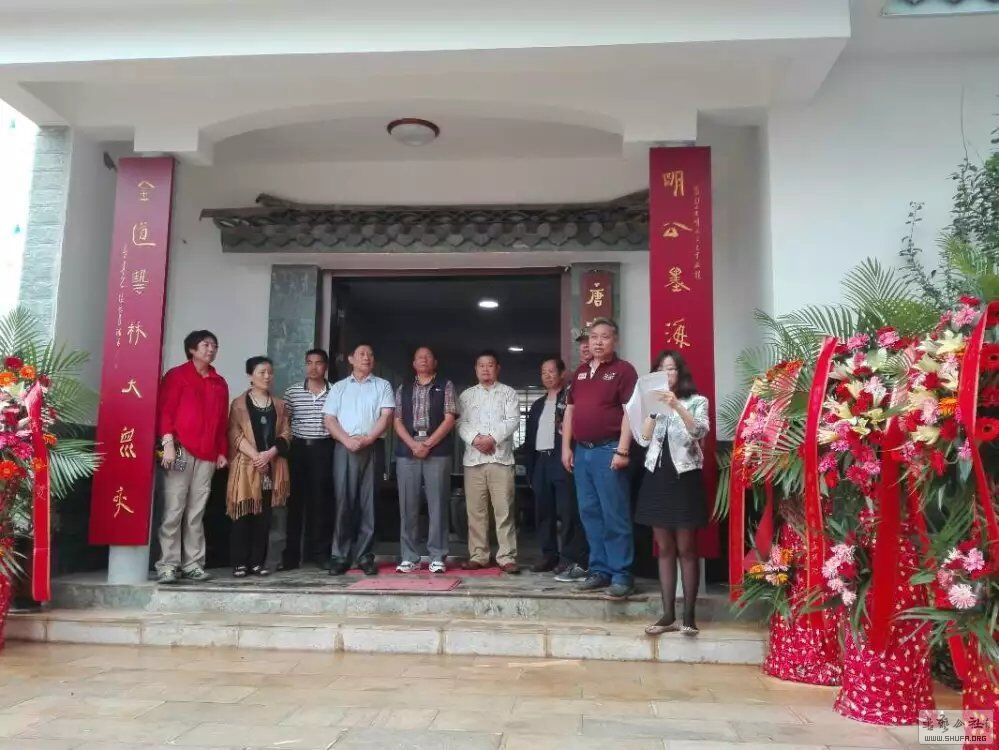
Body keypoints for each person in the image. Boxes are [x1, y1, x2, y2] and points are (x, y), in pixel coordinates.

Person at [561, 318, 639, 599]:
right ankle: (599, 570)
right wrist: (566, 448)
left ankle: (621, 574)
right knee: (590, 514)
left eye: (604, 337)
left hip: (609, 450)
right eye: (593, 337)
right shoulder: (580, 373)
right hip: (582, 452)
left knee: (614, 514)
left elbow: (630, 412)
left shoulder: (624, 370)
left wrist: (623, 449)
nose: (597, 342)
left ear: (614, 340)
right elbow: (570, 411)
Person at [633, 350, 710, 635]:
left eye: (672, 369)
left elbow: (698, 432)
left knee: (687, 549)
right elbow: (643, 440)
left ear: (680, 373)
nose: (667, 374)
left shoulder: (697, 401)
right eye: (662, 369)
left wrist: (676, 405)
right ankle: (667, 614)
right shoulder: (651, 403)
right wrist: (653, 413)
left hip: (685, 478)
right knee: (664, 548)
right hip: (657, 477)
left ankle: (689, 616)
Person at [155, 330, 230, 584]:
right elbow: (165, 411)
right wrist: (167, 442)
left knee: (196, 511)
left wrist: (222, 451)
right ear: (192, 349)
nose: (211, 349)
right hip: (179, 449)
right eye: (206, 345)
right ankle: (168, 564)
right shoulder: (177, 376)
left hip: (208, 453)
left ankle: (193, 564)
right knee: (174, 508)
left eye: (214, 345)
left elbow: (222, 422)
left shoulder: (219, 383)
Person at [323, 343, 395, 576]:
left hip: (372, 447)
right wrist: (347, 440)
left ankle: (365, 556)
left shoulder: (383, 385)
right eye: (362, 354)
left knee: (369, 503)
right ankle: (340, 555)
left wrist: (368, 439)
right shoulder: (339, 387)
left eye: (371, 354)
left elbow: (386, 416)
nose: (367, 358)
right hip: (344, 447)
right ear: (351, 359)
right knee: (343, 501)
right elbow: (329, 419)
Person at [394, 346, 459, 574]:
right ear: (413, 363)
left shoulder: (445, 385)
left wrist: (428, 444)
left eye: (428, 357)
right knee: (407, 506)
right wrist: (413, 445)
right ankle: (409, 557)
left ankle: (437, 556)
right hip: (407, 452)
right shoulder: (403, 388)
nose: (423, 360)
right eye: (419, 357)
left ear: (435, 362)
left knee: (438, 504)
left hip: (437, 452)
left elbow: (450, 419)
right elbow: (397, 420)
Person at [226, 356, 291, 577]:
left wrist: (269, 454)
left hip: (272, 466)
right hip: (246, 466)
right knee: (243, 514)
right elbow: (234, 433)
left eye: (270, 372)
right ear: (250, 376)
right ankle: (239, 562)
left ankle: (257, 561)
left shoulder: (280, 405)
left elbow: (286, 433)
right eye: (262, 372)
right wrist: (256, 456)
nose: (267, 376)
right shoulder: (239, 404)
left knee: (265, 516)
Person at [457, 350, 521, 574]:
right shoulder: (466, 396)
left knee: (504, 510)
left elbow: (513, 420)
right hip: (473, 461)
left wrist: (491, 439)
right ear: (476, 369)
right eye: (481, 365)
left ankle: (506, 557)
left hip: (500, 459)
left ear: (497, 368)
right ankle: (479, 555)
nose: (486, 369)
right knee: (476, 512)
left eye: (490, 365)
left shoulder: (508, 393)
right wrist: (476, 439)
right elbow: (460, 423)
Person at [525, 357, 588, 579]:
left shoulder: (569, 399)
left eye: (551, 371)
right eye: (544, 372)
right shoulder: (537, 405)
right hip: (541, 461)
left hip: (560, 459)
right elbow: (529, 440)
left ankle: (568, 557)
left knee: (567, 510)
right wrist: (531, 469)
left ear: (562, 374)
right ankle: (548, 554)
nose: (547, 375)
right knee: (544, 511)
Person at [282, 349, 335, 570]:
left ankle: (320, 554)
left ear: (326, 366)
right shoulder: (292, 392)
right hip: (298, 449)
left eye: (318, 363)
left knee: (321, 502)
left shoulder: (336, 391)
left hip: (324, 448)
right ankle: (291, 556)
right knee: (294, 503)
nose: (313, 367)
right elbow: (284, 422)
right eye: (309, 363)